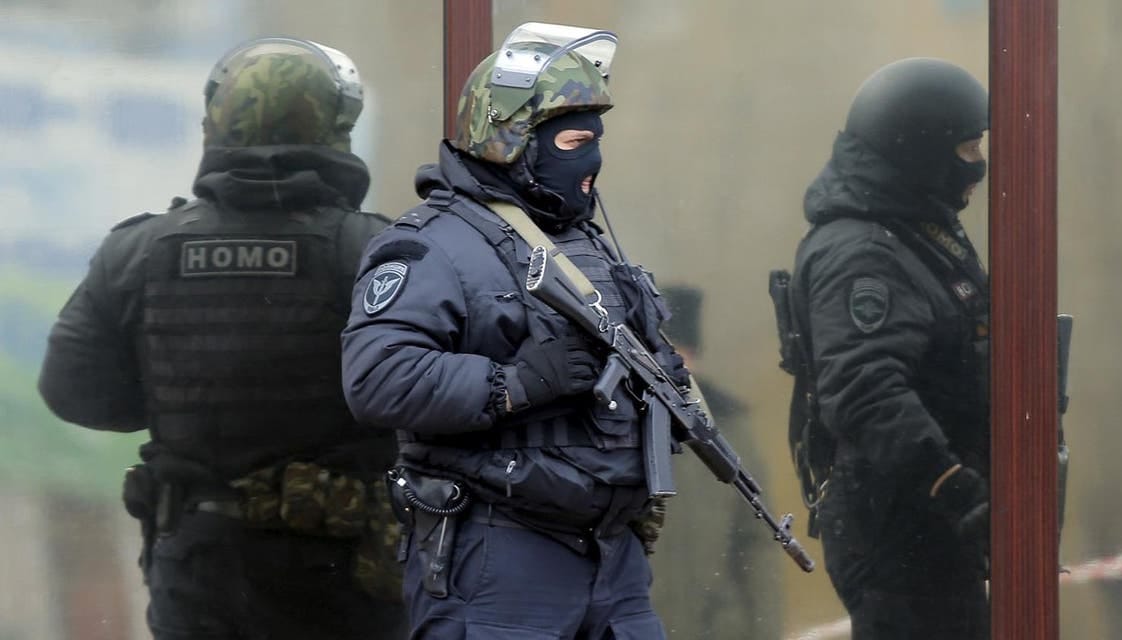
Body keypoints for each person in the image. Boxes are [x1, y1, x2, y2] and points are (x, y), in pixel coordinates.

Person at [38, 37, 405, 640]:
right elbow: (429, 396)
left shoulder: (138, 251)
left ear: (216, 124)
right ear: (334, 129)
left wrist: (180, 399)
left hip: (196, 570)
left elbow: (73, 392)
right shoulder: (373, 252)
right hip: (341, 577)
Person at [341, 22, 683, 639]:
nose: (592, 161)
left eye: (597, 141)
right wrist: (516, 383)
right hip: (497, 557)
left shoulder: (589, 247)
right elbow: (378, 379)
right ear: (513, 141)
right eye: (574, 141)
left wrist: (662, 392)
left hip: (615, 562)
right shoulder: (432, 245)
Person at [779, 58, 991, 639]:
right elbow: (864, 390)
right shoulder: (864, 253)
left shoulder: (912, 232)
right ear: (921, 150)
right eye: (967, 148)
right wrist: (952, 484)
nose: (979, 163)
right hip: (902, 529)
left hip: (924, 526)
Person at [650, 285, 783, 638]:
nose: (674, 368)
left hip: (720, 629)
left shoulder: (729, 429)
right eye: (663, 353)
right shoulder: (617, 429)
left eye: (683, 354)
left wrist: (766, 631)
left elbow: (756, 541)